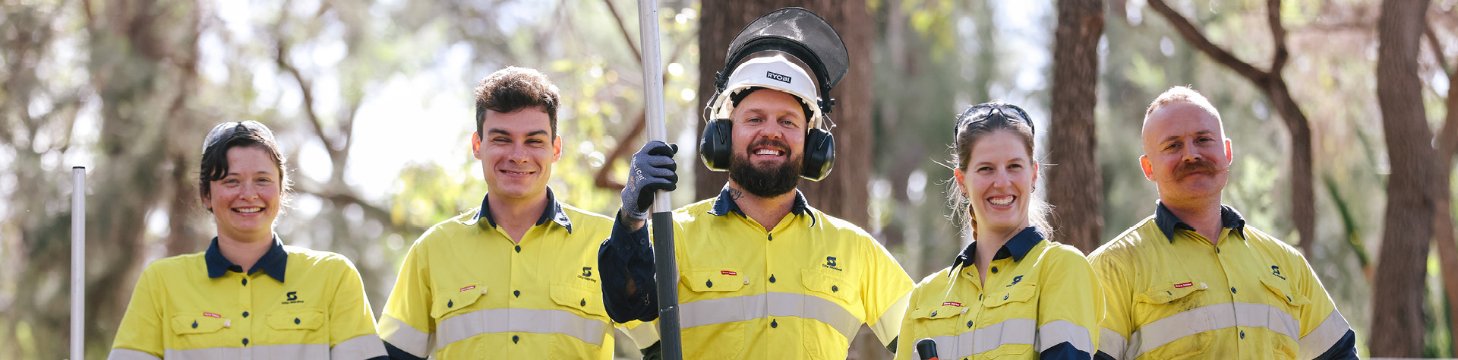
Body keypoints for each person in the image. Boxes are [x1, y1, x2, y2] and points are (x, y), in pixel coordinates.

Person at [597, 7, 914, 359]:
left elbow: (926, 337)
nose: (771, 132)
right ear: (723, 136)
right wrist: (631, 218)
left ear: (813, 147)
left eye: (788, 122)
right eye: (755, 118)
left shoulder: (855, 250)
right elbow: (626, 304)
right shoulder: (675, 237)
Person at [376, 67, 656, 359]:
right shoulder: (433, 250)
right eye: (502, 139)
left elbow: (662, 344)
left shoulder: (606, 242)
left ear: (555, 149)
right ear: (477, 145)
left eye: (534, 141)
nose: (518, 155)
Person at [1090, 86, 1357, 359]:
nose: (1191, 154)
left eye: (1203, 139)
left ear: (1227, 151)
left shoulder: (1288, 264)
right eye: (1173, 145)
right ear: (1148, 168)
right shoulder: (1113, 268)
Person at [109, 121, 387, 359]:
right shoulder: (161, 283)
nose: (248, 194)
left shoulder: (333, 276)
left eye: (263, 180)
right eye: (231, 181)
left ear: (281, 190)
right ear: (206, 194)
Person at [894, 103, 1101, 360]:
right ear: (962, 182)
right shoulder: (924, 297)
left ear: (1034, 174)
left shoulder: (1062, 269)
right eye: (986, 169)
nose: (1002, 182)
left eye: (1014, 166)